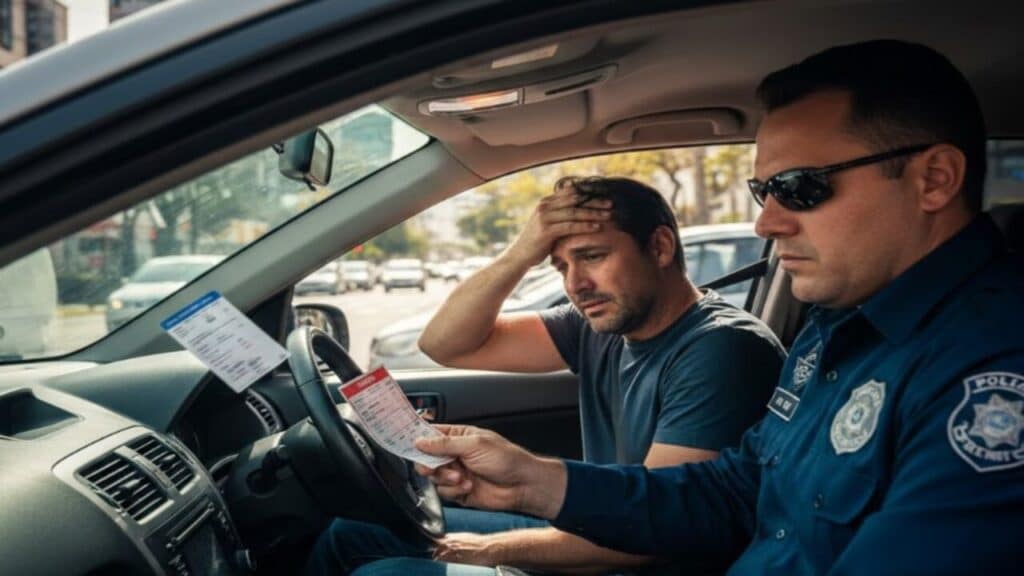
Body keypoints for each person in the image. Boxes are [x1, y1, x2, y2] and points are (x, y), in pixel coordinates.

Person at [353, 39, 1024, 575]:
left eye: (799, 187)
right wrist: (537, 481)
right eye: (763, 188)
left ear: (933, 179)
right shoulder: (839, 330)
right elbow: (734, 492)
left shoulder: (992, 373)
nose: (766, 222)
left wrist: (491, 548)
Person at [306, 176, 785, 575]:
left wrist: (490, 550)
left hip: (637, 563)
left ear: (659, 247)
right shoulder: (597, 326)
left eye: (593, 256)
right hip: (601, 529)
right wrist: (520, 253)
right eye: (560, 266)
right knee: (352, 533)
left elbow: (655, 533)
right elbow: (445, 343)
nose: (575, 284)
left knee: (382, 572)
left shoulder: (722, 350)